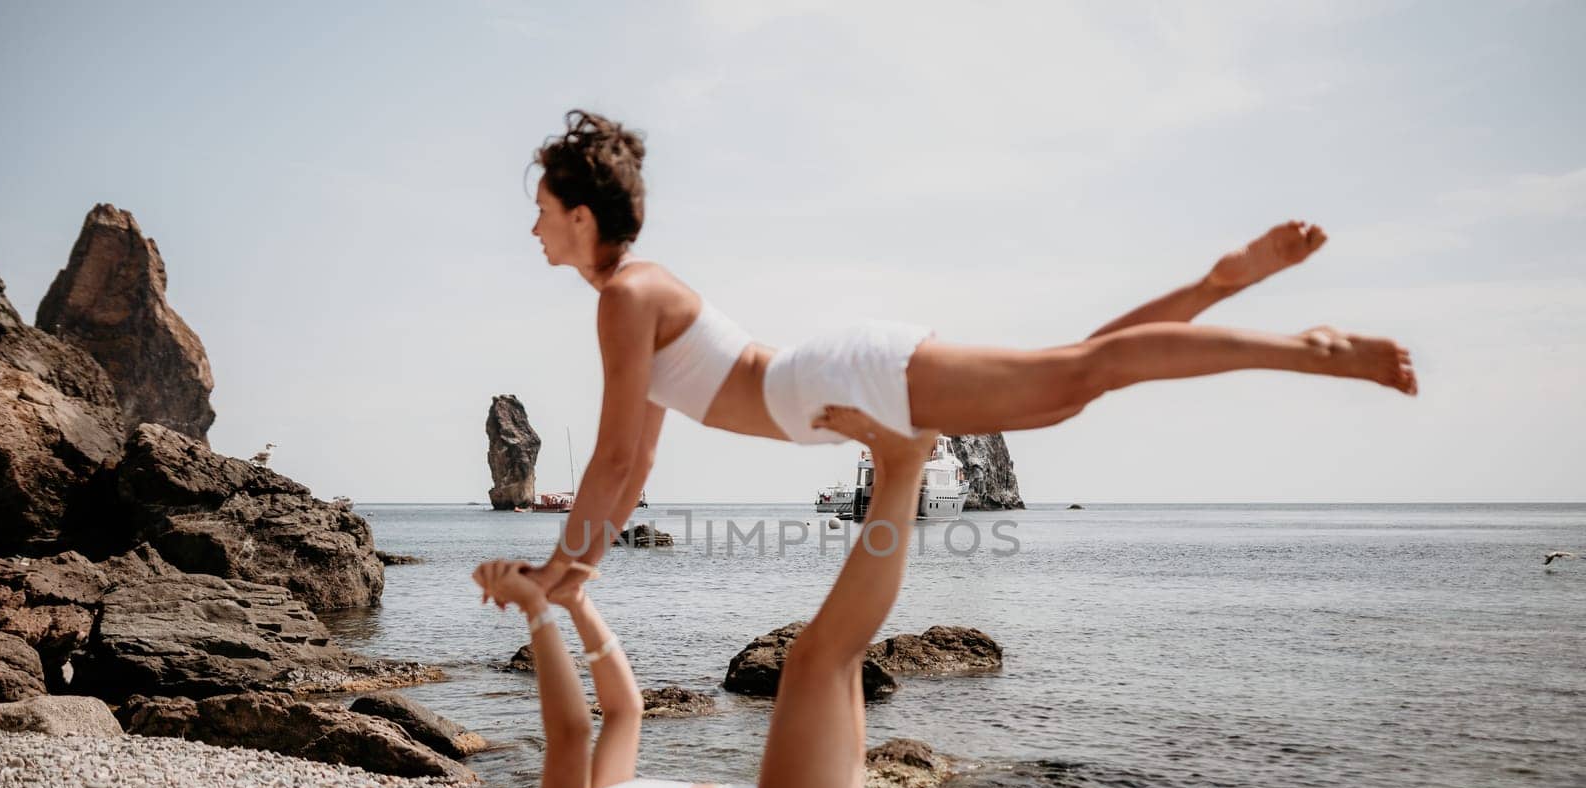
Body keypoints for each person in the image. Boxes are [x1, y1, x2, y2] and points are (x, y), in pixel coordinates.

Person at [519, 109, 1417, 593]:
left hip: (842, 377)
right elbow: (632, 465)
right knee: (1076, 371)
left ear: (583, 216)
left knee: (1077, 378)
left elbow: (611, 456)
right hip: (836, 381)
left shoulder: (628, 297)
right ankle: (1220, 284)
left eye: (546, 212)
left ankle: (1311, 347)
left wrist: (561, 572)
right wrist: (572, 575)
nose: (535, 228)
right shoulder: (635, 297)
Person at [392, 405, 938, 788]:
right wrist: (535, 611)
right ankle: (906, 466)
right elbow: (571, 734)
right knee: (816, 658)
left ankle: (896, 466)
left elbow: (624, 711)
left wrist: (577, 605)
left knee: (838, 660)